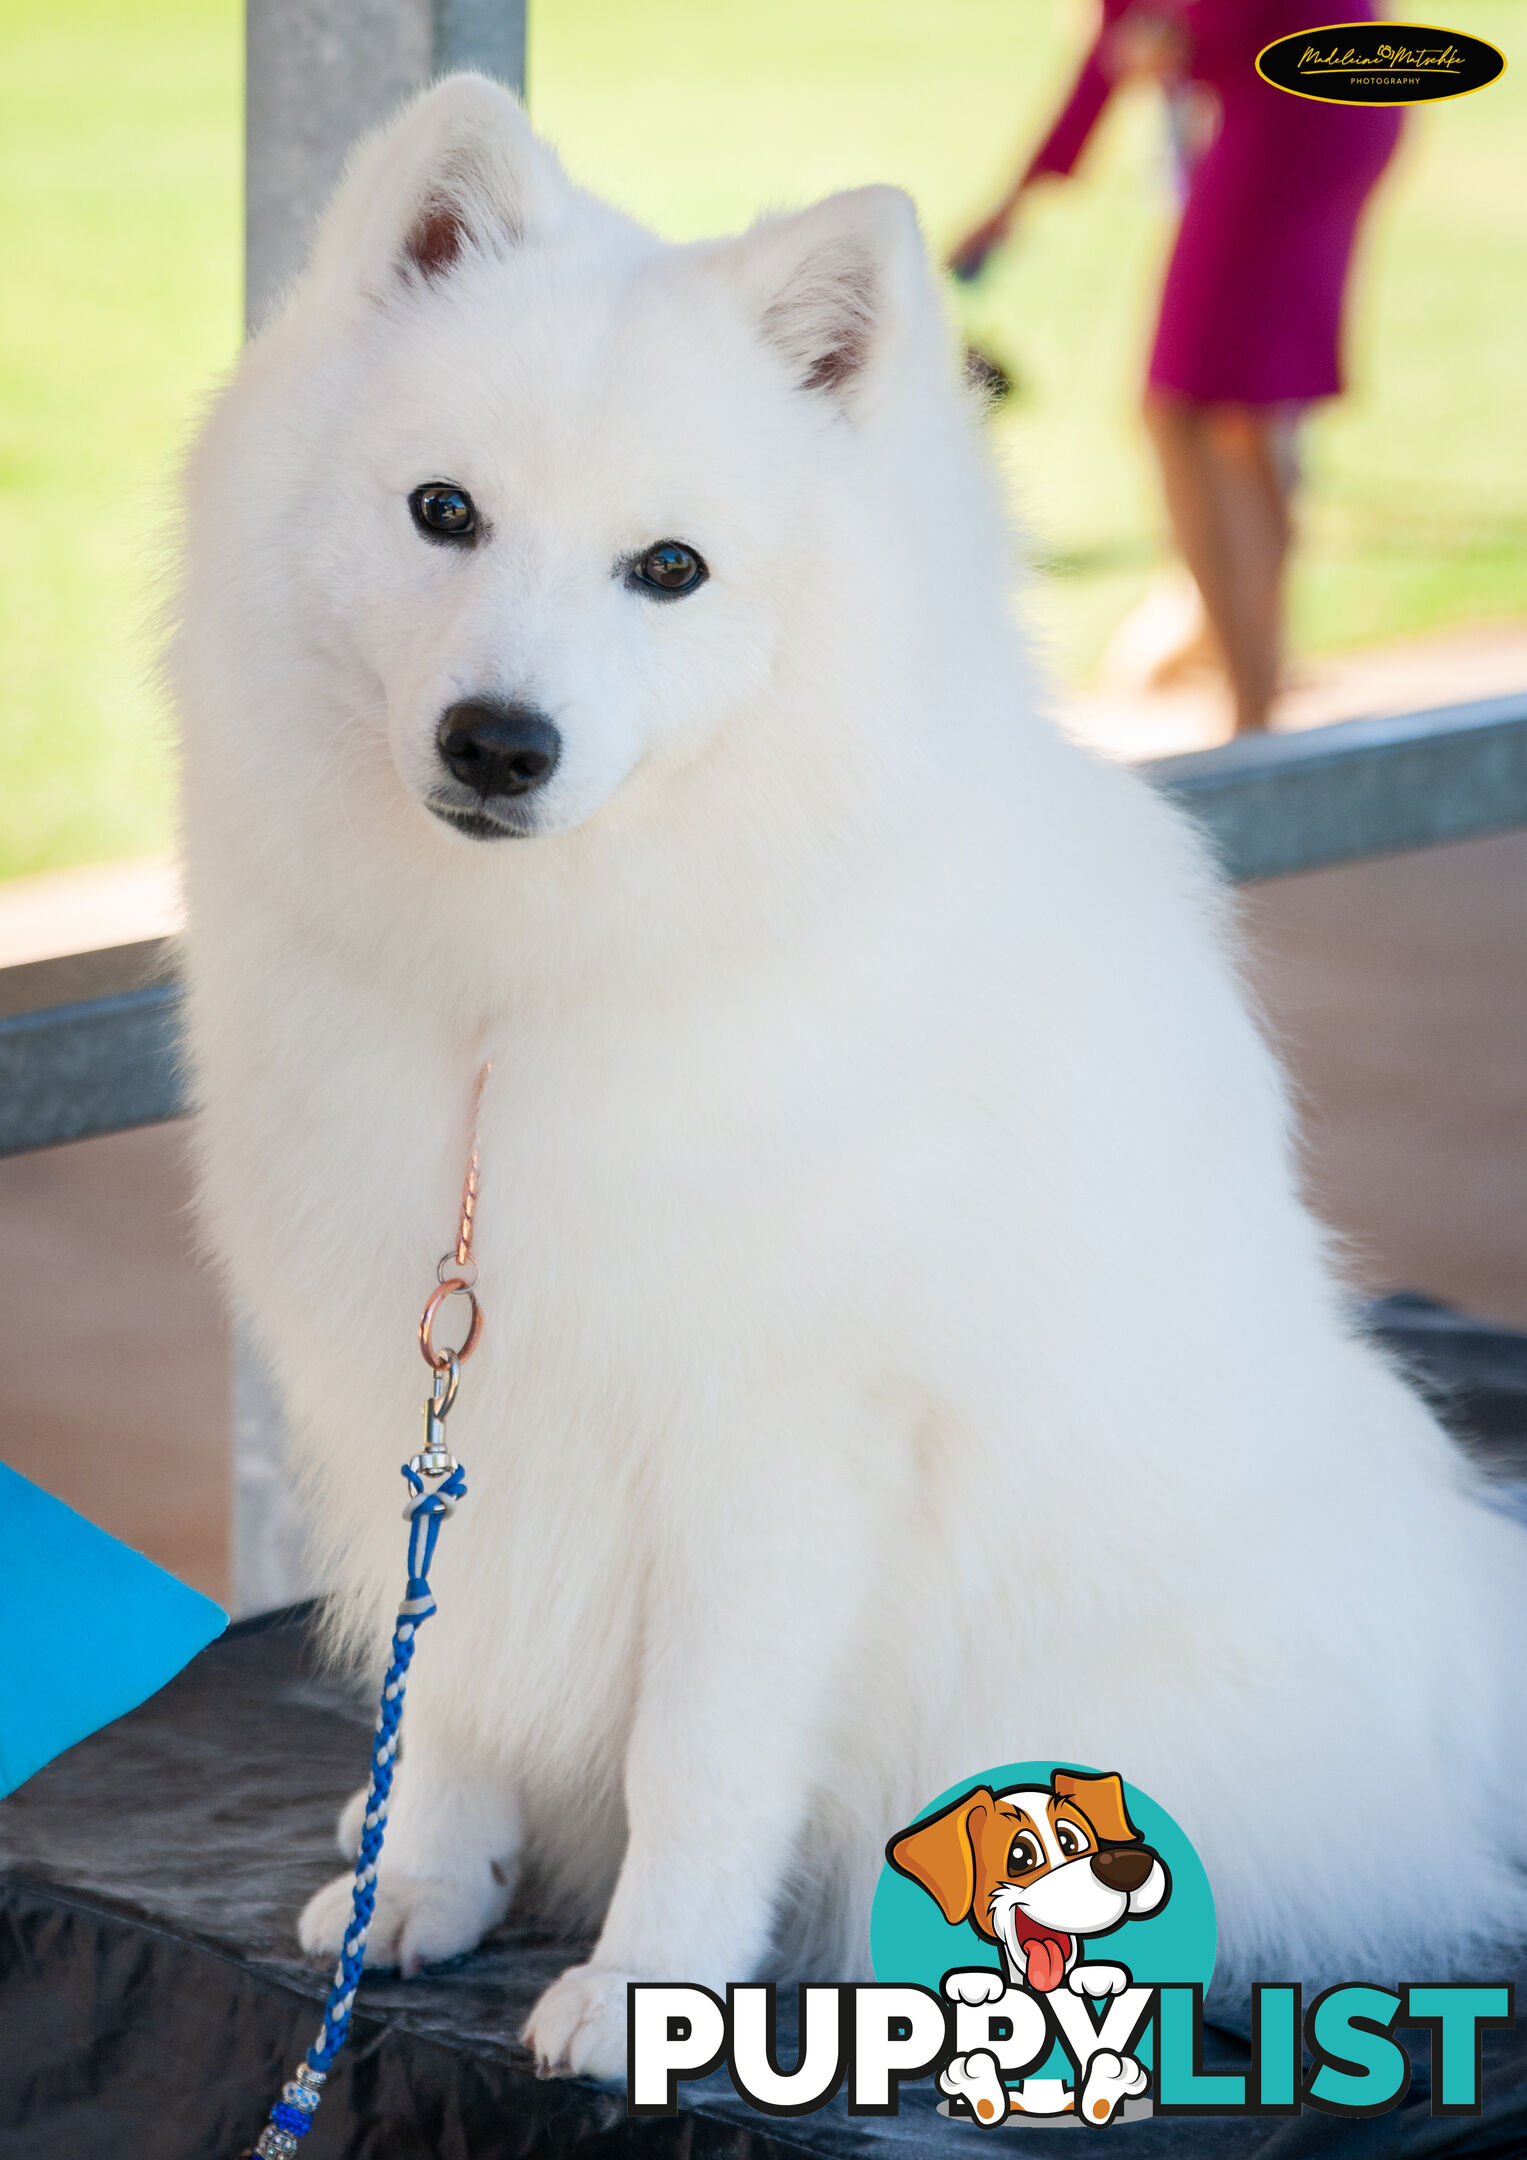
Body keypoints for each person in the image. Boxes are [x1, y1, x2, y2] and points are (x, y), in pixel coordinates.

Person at [949, 1, 1403, 734]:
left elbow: (1136, 41)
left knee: (1187, 411)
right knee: (1234, 421)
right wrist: (1010, 206)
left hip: (1289, 109)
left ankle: (1250, 710)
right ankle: (1247, 677)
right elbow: (1111, 56)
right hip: (1318, 97)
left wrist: (1193, 29)